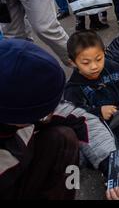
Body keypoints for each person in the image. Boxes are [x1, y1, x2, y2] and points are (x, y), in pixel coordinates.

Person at [0, 39, 80, 199]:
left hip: (17, 169)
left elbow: (80, 117)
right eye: (44, 112)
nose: (51, 114)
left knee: (65, 138)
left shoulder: (15, 105)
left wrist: (110, 162)